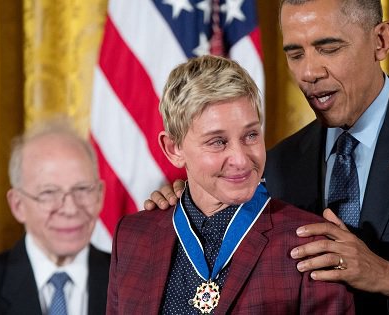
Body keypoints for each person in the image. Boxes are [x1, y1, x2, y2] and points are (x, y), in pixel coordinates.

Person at [145, 0, 389, 313]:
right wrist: (187, 203)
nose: (309, 72)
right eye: (295, 53)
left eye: (328, 47)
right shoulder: (279, 163)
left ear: (381, 40)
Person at [106, 55, 354, 314]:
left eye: (251, 135)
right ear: (173, 148)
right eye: (218, 142)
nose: (241, 159)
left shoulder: (312, 246)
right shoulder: (132, 236)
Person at [0, 118, 110, 315]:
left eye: (83, 189)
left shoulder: (137, 282)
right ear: (18, 205)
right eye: (49, 193)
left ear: (100, 195)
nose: (70, 208)